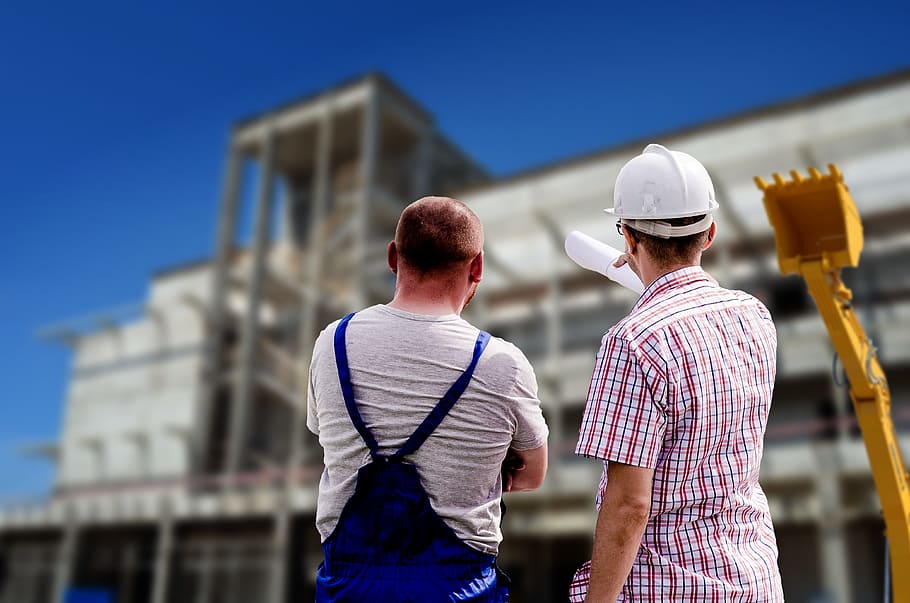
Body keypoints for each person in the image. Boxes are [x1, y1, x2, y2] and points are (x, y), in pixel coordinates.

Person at [569, 144, 783, 602]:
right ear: (709, 234)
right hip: (754, 580)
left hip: (669, 590)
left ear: (627, 238)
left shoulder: (632, 343)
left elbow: (629, 505)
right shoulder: (755, 317)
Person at [308, 196, 549, 602]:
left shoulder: (332, 342)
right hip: (459, 590)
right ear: (478, 267)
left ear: (392, 256)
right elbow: (532, 474)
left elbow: (323, 435)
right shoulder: (502, 364)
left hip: (349, 589)